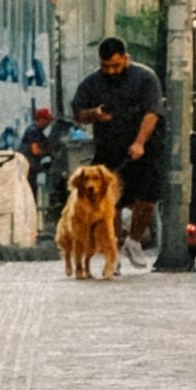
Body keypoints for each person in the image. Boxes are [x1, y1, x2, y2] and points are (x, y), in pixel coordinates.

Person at [70, 36, 164, 266]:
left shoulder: (145, 78)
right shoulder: (92, 82)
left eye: (116, 66)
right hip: (109, 149)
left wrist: (140, 142)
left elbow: (152, 113)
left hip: (143, 148)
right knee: (111, 201)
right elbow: (78, 112)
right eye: (106, 67)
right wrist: (94, 114)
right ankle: (112, 248)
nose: (111, 71)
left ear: (126, 59)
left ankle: (134, 241)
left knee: (147, 198)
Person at [19, 107, 66, 215]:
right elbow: (35, 150)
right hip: (28, 167)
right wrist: (47, 152)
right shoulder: (33, 131)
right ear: (40, 119)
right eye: (47, 120)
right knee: (30, 193)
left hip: (31, 167)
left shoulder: (38, 132)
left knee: (31, 192)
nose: (48, 124)